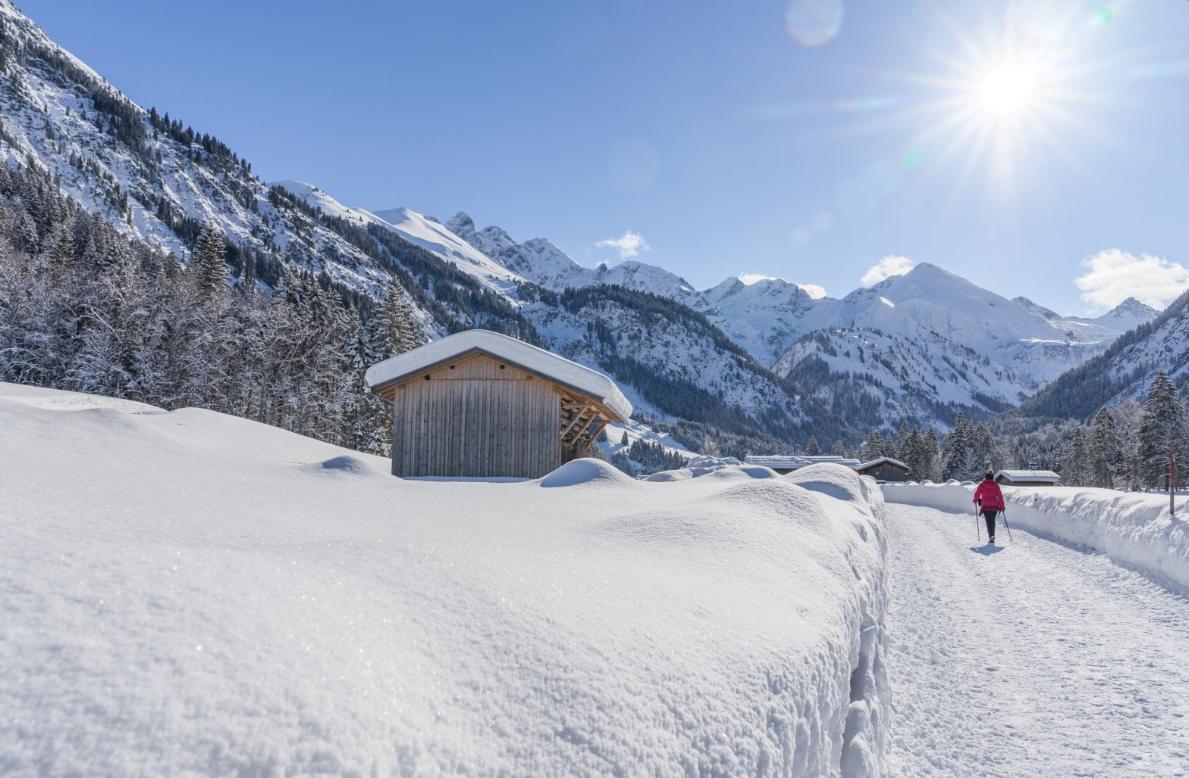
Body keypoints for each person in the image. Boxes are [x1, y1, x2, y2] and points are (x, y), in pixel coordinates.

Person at [973, 470, 1005, 544]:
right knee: (992, 521)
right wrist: (1002, 506)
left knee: (988, 521)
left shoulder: (982, 485)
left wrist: (975, 500)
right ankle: (992, 535)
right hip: (995, 506)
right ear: (992, 477)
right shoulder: (996, 485)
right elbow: (1000, 496)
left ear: (986, 477)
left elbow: (977, 494)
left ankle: (991, 536)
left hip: (985, 506)